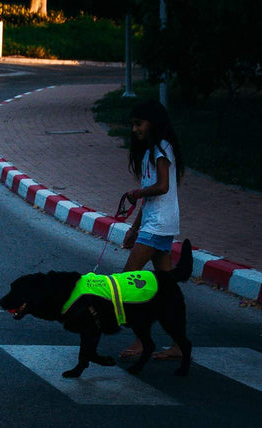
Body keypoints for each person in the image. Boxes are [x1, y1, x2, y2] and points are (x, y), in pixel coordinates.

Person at [119, 99, 185, 360]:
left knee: (127, 282)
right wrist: (134, 228)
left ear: (153, 123)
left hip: (158, 226)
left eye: (138, 123)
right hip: (157, 224)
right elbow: (148, 199)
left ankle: (141, 340)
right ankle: (178, 345)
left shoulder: (161, 148)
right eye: (133, 124)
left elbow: (162, 187)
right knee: (167, 290)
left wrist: (135, 192)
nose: (134, 129)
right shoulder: (150, 152)